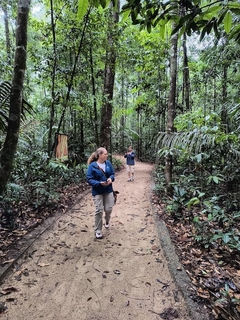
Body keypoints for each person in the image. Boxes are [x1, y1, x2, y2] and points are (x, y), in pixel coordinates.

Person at [86, 147, 115, 239]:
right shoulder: (92, 166)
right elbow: (89, 179)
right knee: (99, 210)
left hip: (108, 189)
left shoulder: (108, 163)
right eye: (105, 154)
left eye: (107, 154)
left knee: (109, 208)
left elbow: (112, 173)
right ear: (100, 155)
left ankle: (107, 220)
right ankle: (98, 230)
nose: (107, 155)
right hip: (98, 191)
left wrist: (111, 178)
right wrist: (99, 183)